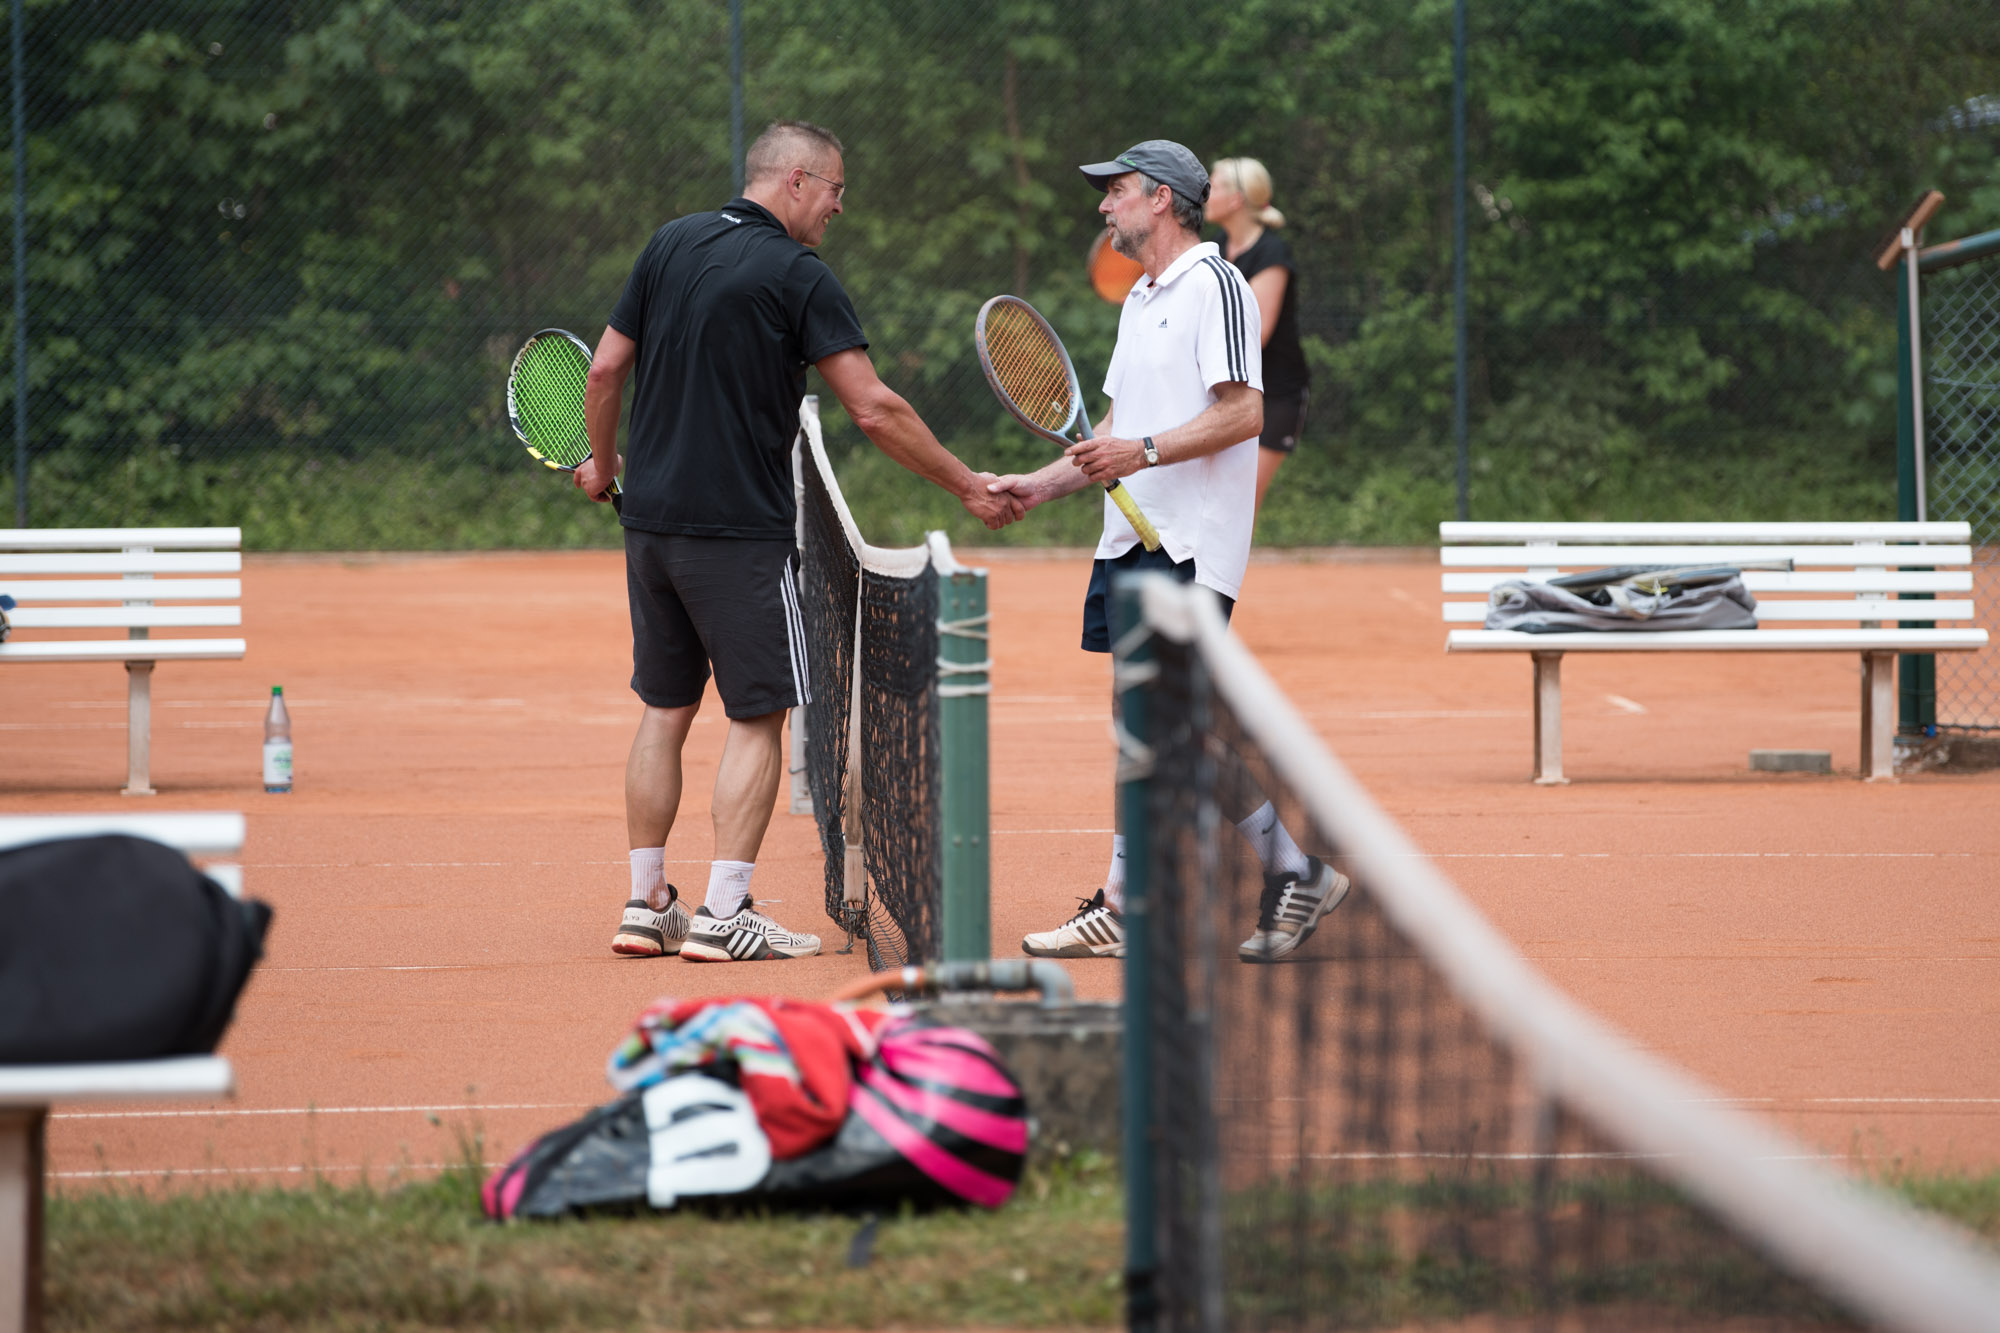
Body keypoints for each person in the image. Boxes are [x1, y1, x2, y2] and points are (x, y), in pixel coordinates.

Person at [576, 120, 1021, 963]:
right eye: (835, 191)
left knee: (664, 709)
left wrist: (603, 468)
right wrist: (966, 483)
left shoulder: (667, 244)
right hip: (739, 535)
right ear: (795, 182)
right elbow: (873, 407)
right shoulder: (797, 272)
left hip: (651, 531)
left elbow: (603, 371)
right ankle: (723, 911)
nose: (839, 208)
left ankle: (646, 902)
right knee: (759, 716)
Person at [986, 140, 1347, 964]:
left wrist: (1143, 453)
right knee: (1148, 726)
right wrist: (1038, 487)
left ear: (1161, 199)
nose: (1103, 207)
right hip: (1129, 539)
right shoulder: (1141, 297)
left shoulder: (1214, 283)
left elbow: (1245, 411)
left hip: (1187, 546)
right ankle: (1271, 875)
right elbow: (1110, 431)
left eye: (1114, 192)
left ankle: (1144, 898)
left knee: (1161, 725)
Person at [1205, 156, 1310, 514]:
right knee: (1214, 500)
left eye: (1214, 185)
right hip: (1226, 393)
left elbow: (1257, 334)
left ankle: (1222, 573)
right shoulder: (1215, 250)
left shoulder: (1272, 254)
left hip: (1276, 395)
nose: (1206, 192)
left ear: (1236, 199)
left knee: (1239, 501)